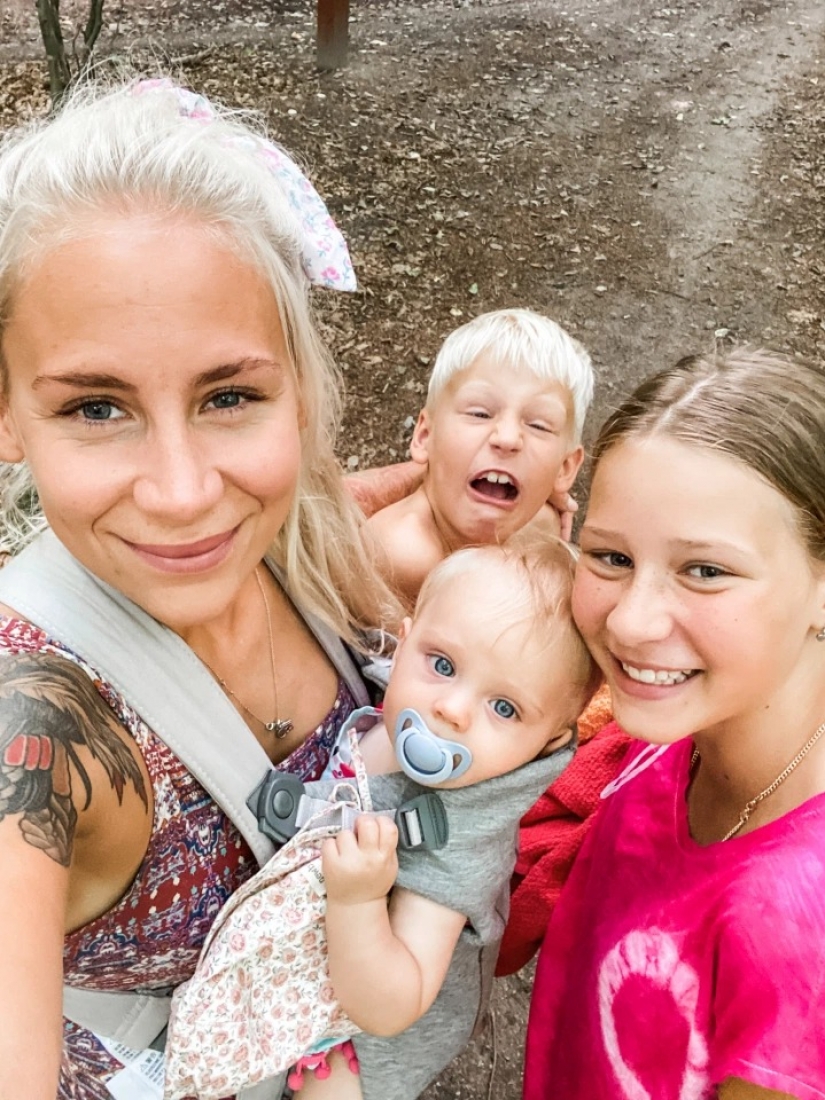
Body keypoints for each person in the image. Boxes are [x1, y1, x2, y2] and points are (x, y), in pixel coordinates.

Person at [0, 75, 468, 1100]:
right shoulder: (32, 718)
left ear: (297, 390)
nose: (182, 493)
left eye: (229, 395)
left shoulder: (303, 543)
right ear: (6, 414)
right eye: (94, 408)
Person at [163, 541, 600, 1100]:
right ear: (407, 638)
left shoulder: (456, 846)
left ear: (550, 742)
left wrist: (358, 900)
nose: (453, 710)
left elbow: (395, 1003)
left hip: (358, 1043)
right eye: (442, 665)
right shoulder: (384, 703)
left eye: (505, 708)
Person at [523, 348, 825, 1100]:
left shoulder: (792, 924)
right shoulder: (681, 724)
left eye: (704, 570)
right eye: (610, 556)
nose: (630, 620)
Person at [365, 308, 594, 611]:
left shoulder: (540, 523)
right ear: (424, 437)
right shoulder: (402, 555)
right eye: (480, 414)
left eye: (538, 425)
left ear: (565, 468)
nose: (508, 438)